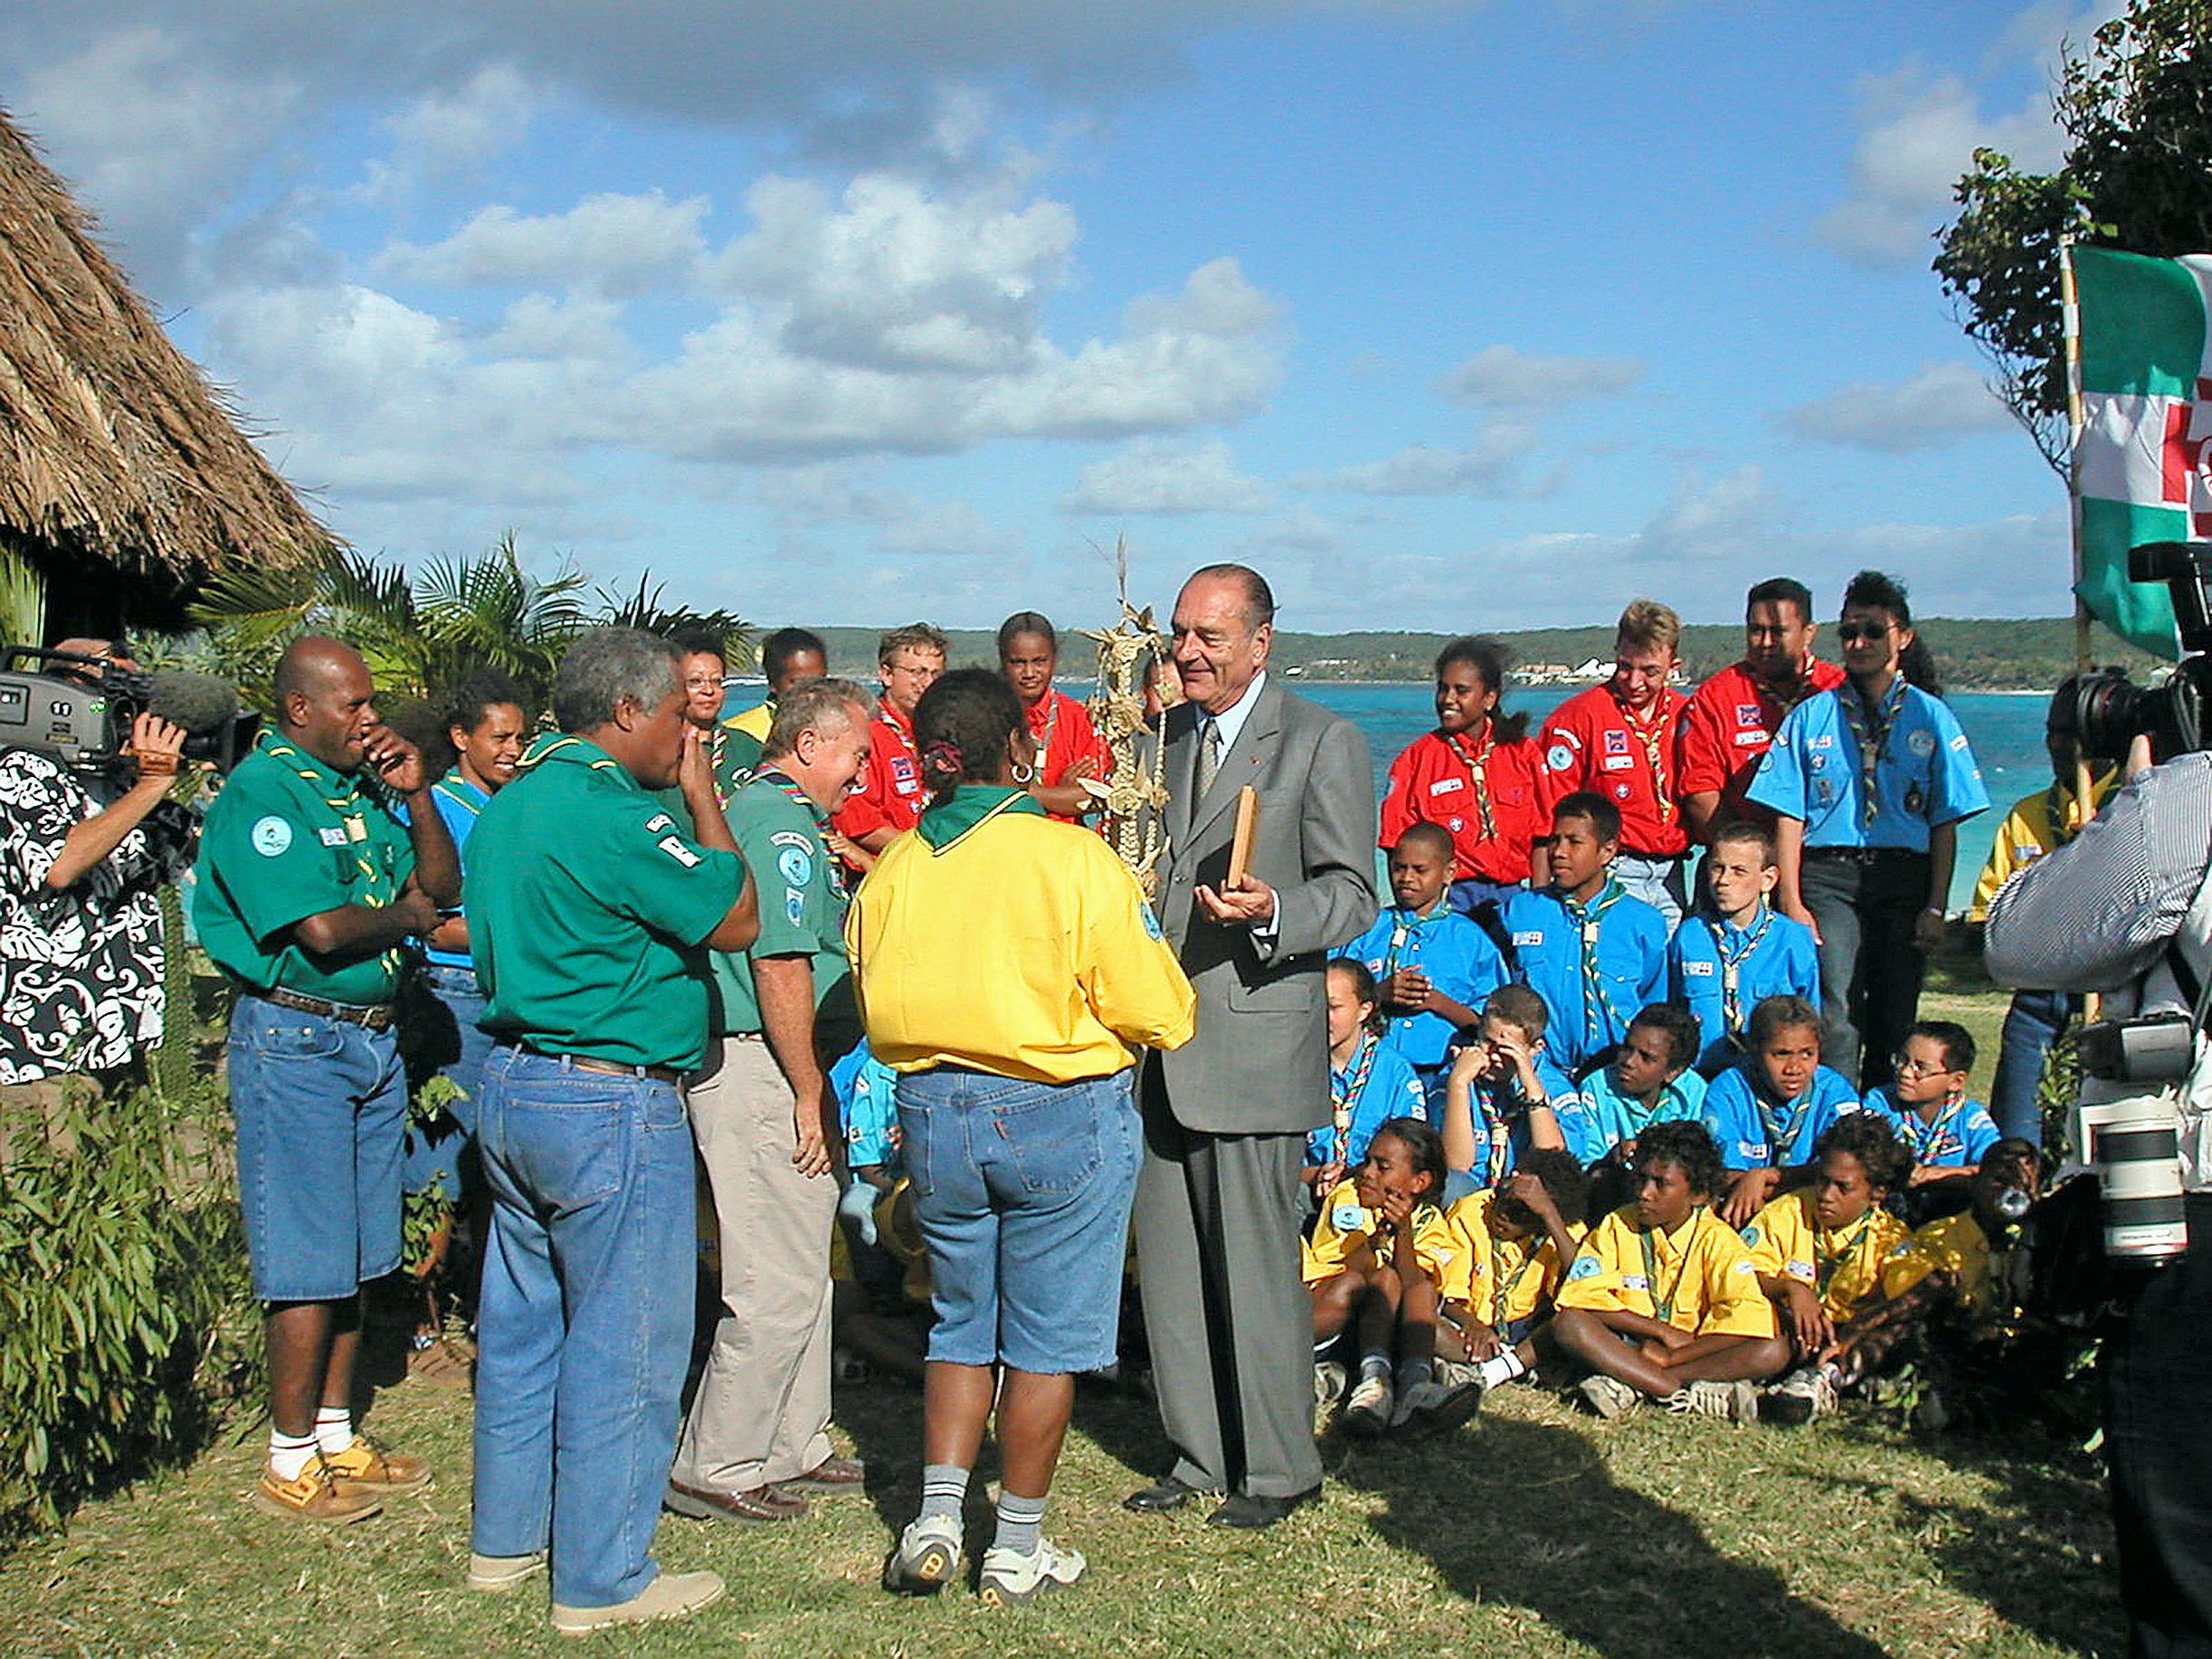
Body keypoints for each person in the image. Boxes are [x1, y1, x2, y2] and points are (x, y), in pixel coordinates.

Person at [846, 668, 1194, 1604]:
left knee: (961, 1320)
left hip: (932, 1110)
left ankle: (934, 1518)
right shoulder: (1069, 857)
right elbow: (1154, 1003)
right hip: (1055, 1108)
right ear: (1020, 753)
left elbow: (875, 996)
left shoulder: (895, 869)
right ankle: (1017, 1543)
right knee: (1047, 1337)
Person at [464, 628, 758, 1634]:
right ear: (630, 711)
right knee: (628, 1338)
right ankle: (602, 1574)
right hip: (605, 1093)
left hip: (511, 1081)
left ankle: (506, 1538)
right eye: (680, 715)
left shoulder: (511, 804)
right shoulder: (611, 813)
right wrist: (704, 796)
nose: (689, 734)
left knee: (522, 1323)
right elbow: (735, 914)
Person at [1128, 563, 1377, 1531]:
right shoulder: (1161, 741)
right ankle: (1196, 1454)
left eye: (1208, 637)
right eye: (1178, 634)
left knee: (1258, 1270)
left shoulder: (1323, 740)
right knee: (1176, 1269)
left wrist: (1276, 911)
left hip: (1254, 1046)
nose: (1186, 651)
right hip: (1158, 1049)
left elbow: (1355, 892)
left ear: (1262, 641)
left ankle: (1278, 1466)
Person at [192, 637, 460, 1525]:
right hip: (297, 1036)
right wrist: (407, 919)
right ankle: (289, 1455)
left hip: (369, 1038)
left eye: (370, 702)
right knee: (307, 1255)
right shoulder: (264, 794)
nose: (368, 719)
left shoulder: (359, 788)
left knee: (357, 1249)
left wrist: (418, 793)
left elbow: (439, 883)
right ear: (299, 709)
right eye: (351, 705)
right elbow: (319, 929)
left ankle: (338, 1433)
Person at [1983, 713, 2212, 1657]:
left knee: (2187, 1535)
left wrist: (2141, 795)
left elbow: (2023, 937)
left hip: (2193, 1207)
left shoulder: (2192, 799)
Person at [667, 678, 877, 1527]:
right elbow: (779, 964)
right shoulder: (781, 824)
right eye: (856, 756)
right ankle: (717, 1460)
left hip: (778, 1061)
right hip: (762, 1062)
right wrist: (804, 1088)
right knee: (771, 1275)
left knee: (805, 1264)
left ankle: (794, 1440)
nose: (860, 776)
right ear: (812, 745)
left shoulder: (768, 812)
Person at [1749, 570, 1989, 1087]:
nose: (1858, 644)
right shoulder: (1811, 717)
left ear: (1902, 637)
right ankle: (1835, 1116)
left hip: (1903, 877)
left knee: (1894, 1005)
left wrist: (1935, 905)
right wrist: (1791, 901)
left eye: (1873, 632)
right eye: (1849, 632)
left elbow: (1945, 818)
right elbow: (1789, 814)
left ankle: (1883, 1123)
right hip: (1829, 877)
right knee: (1834, 1008)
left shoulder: (1931, 717)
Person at [398, 670, 530, 1375]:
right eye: (499, 737)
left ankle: (485, 1309)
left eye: (520, 737)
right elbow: (429, 919)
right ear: (461, 739)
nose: (513, 750)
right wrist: (511, 934)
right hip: (452, 997)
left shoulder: (513, 807)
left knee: (493, 1168)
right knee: (439, 1166)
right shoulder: (440, 809)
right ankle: (421, 1322)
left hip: (505, 998)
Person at [0, 637, 195, 1106]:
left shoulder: (120, 785)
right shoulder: (21, 769)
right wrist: (151, 786)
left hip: (114, 1046)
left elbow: (209, 851)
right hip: (36, 1052)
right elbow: (55, 866)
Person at [1551, 1120, 1787, 1421]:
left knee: (1773, 1350)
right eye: (1641, 1179)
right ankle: (1676, 1389)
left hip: (1692, 1348)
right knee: (1569, 1324)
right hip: (1628, 1342)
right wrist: (1659, 1331)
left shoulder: (1717, 1237)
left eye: (1661, 1183)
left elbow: (1745, 1315)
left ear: (1698, 1195)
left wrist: (1674, 1356)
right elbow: (1582, 1296)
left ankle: (1633, 1383)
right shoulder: (1617, 1224)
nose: (1645, 1193)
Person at [1968, 678, 2114, 1143]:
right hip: (2039, 997)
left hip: (2114, 995)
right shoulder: (2027, 816)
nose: (2057, 745)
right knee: (2017, 1135)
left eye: (2071, 731)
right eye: (2052, 731)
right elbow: (1987, 918)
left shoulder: (2131, 806)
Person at [1303, 1118, 1474, 1438]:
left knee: (1418, 1286)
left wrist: (1404, 1232)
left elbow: (1417, 1285)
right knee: (1381, 1279)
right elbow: (1349, 1268)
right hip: (1340, 1321)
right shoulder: (1348, 1198)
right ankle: (1374, 1383)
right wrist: (1377, 1240)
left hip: (1390, 1328)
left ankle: (1413, 1389)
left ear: (1419, 1182)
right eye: (1367, 1161)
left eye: (1383, 1166)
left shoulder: (1429, 1222)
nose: (1367, 1172)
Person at [1742, 1112, 1913, 1424]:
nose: (1825, 1195)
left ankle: (1825, 1379)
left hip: (1847, 1335)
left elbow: (1904, 1301)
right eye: (1822, 1180)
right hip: (1789, 1328)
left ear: (1877, 1192)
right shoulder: (1789, 1210)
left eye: (1842, 1187)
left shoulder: (1890, 1236)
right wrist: (1790, 1288)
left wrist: (1858, 1329)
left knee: (1897, 1331)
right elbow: (1743, 1270)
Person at [1536, 600, 1692, 927]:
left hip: (1674, 875)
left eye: (1650, 671)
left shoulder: (1689, 715)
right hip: (1611, 873)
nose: (1634, 681)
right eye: (1624, 666)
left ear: (1672, 665)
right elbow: (1552, 810)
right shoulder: (1578, 718)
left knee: (1667, 976)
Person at [1495, 792, 1669, 1076]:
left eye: (1574, 842)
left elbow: (1655, 1005)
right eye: (1554, 840)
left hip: (1613, 1074)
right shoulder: (1519, 912)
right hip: (1538, 1070)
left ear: (1607, 850)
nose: (1559, 852)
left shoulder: (1644, 923)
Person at [1335, 823, 1508, 1104]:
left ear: (1449, 873)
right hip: (1372, 1073)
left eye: (1419, 870)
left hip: (1441, 1074)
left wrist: (1438, 1003)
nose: (1406, 878)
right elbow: (1331, 997)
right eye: (1398, 868)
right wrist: (1378, 995)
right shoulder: (1366, 930)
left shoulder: (1471, 941)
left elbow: (1492, 1022)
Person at [1378, 636, 1547, 913]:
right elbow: (1394, 845)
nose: (1448, 699)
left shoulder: (1523, 754)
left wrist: (1539, 906)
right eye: (1442, 689)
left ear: (1489, 698)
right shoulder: (1415, 760)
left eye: (1461, 690)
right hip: (1449, 902)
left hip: (1516, 898)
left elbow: (1543, 837)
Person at [1677, 577, 1846, 841]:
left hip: (1825, 859)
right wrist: (1750, 855)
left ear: (1808, 632)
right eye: (1756, 630)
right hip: (1744, 859)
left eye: (1778, 631)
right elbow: (1700, 792)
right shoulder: (1716, 696)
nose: (1765, 642)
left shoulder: (1836, 690)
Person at [1668, 820, 1820, 1075]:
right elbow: (1673, 1009)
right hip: (1700, 1074)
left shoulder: (1792, 940)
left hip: (1766, 1077)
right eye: (1718, 868)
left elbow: (1809, 1020)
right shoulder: (1690, 935)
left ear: (1768, 879)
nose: (1723, 881)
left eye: (1739, 871)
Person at [1700, 994, 1864, 1227]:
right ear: (1755, 1051)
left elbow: (1846, 1169)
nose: (1794, 1068)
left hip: (1814, 1214)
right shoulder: (1727, 1090)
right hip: (1743, 1213)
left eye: (1807, 1053)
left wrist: (1765, 1175)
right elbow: (1721, 1173)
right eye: (1781, 1054)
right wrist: (1748, 1180)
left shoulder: (1835, 1092)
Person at [1437, 1152, 1591, 1395]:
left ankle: (1498, 1366)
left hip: (1527, 1329)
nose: (1505, 1215)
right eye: (1505, 1201)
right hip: (1469, 1321)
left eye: (1522, 1212)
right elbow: (1448, 1296)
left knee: (1568, 1327)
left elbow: (1583, 1285)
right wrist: (1474, 1325)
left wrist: (1550, 1216)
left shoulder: (1561, 1231)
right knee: (1431, 1329)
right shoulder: (1470, 1212)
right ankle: (1513, 1364)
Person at [1305, 959, 1429, 1199]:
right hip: (1310, 1191)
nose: (1322, 1016)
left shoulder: (1395, 1073)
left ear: (1364, 1009)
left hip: (1376, 1194)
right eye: (1316, 1005)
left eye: (1333, 1007)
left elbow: (1411, 1157)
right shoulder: (1296, 1067)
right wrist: (1317, 1174)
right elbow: (1274, 1162)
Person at [831, 622, 948, 871]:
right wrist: (932, 854)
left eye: (936, 674)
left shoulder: (942, 733)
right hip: (885, 872)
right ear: (887, 674)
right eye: (916, 672)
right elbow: (862, 827)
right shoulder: (864, 732)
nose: (927, 682)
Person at [1437, 983, 1572, 1194]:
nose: (1494, 1057)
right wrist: (1458, 1085)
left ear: (1535, 1049)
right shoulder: (1457, 1074)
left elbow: (1552, 1168)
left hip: (1525, 1195)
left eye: (1508, 1051)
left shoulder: (1555, 1087)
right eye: (1487, 1042)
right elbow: (1456, 1166)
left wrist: (1532, 1090)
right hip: (1470, 1193)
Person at [1861, 1020, 1999, 1207]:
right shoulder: (1880, 1102)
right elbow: (1864, 1158)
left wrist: (1934, 1174)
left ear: (1956, 1081)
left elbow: (1994, 1170)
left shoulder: (1972, 1120)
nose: (1906, 1072)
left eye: (1920, 1068)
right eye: (1902, 1060)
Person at [1556, 1002, 1708, 1168]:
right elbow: (1584, 1165)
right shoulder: (1597, 1087)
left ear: (1673, 1072)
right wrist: (1611, 1160)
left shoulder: (1695, 1091)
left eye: (1646, 1057)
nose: (1628, 1062)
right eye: (1627, 1048)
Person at [997, 611, 1110, 822]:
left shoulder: (1078, 718)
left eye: (1039, 661)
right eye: (1018, 663)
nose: (1029, 672)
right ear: (1004, 662)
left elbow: (1097, 796)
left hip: (1065, 846)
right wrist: (1059, 793)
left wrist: (1021, 792)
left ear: (1054, 659)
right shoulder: (986, 716)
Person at [722, 626, 830, 782]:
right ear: (773, 682)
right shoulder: (738, 736)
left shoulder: (838, 729)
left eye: (819, 681)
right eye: (799, 683)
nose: (810, 691)